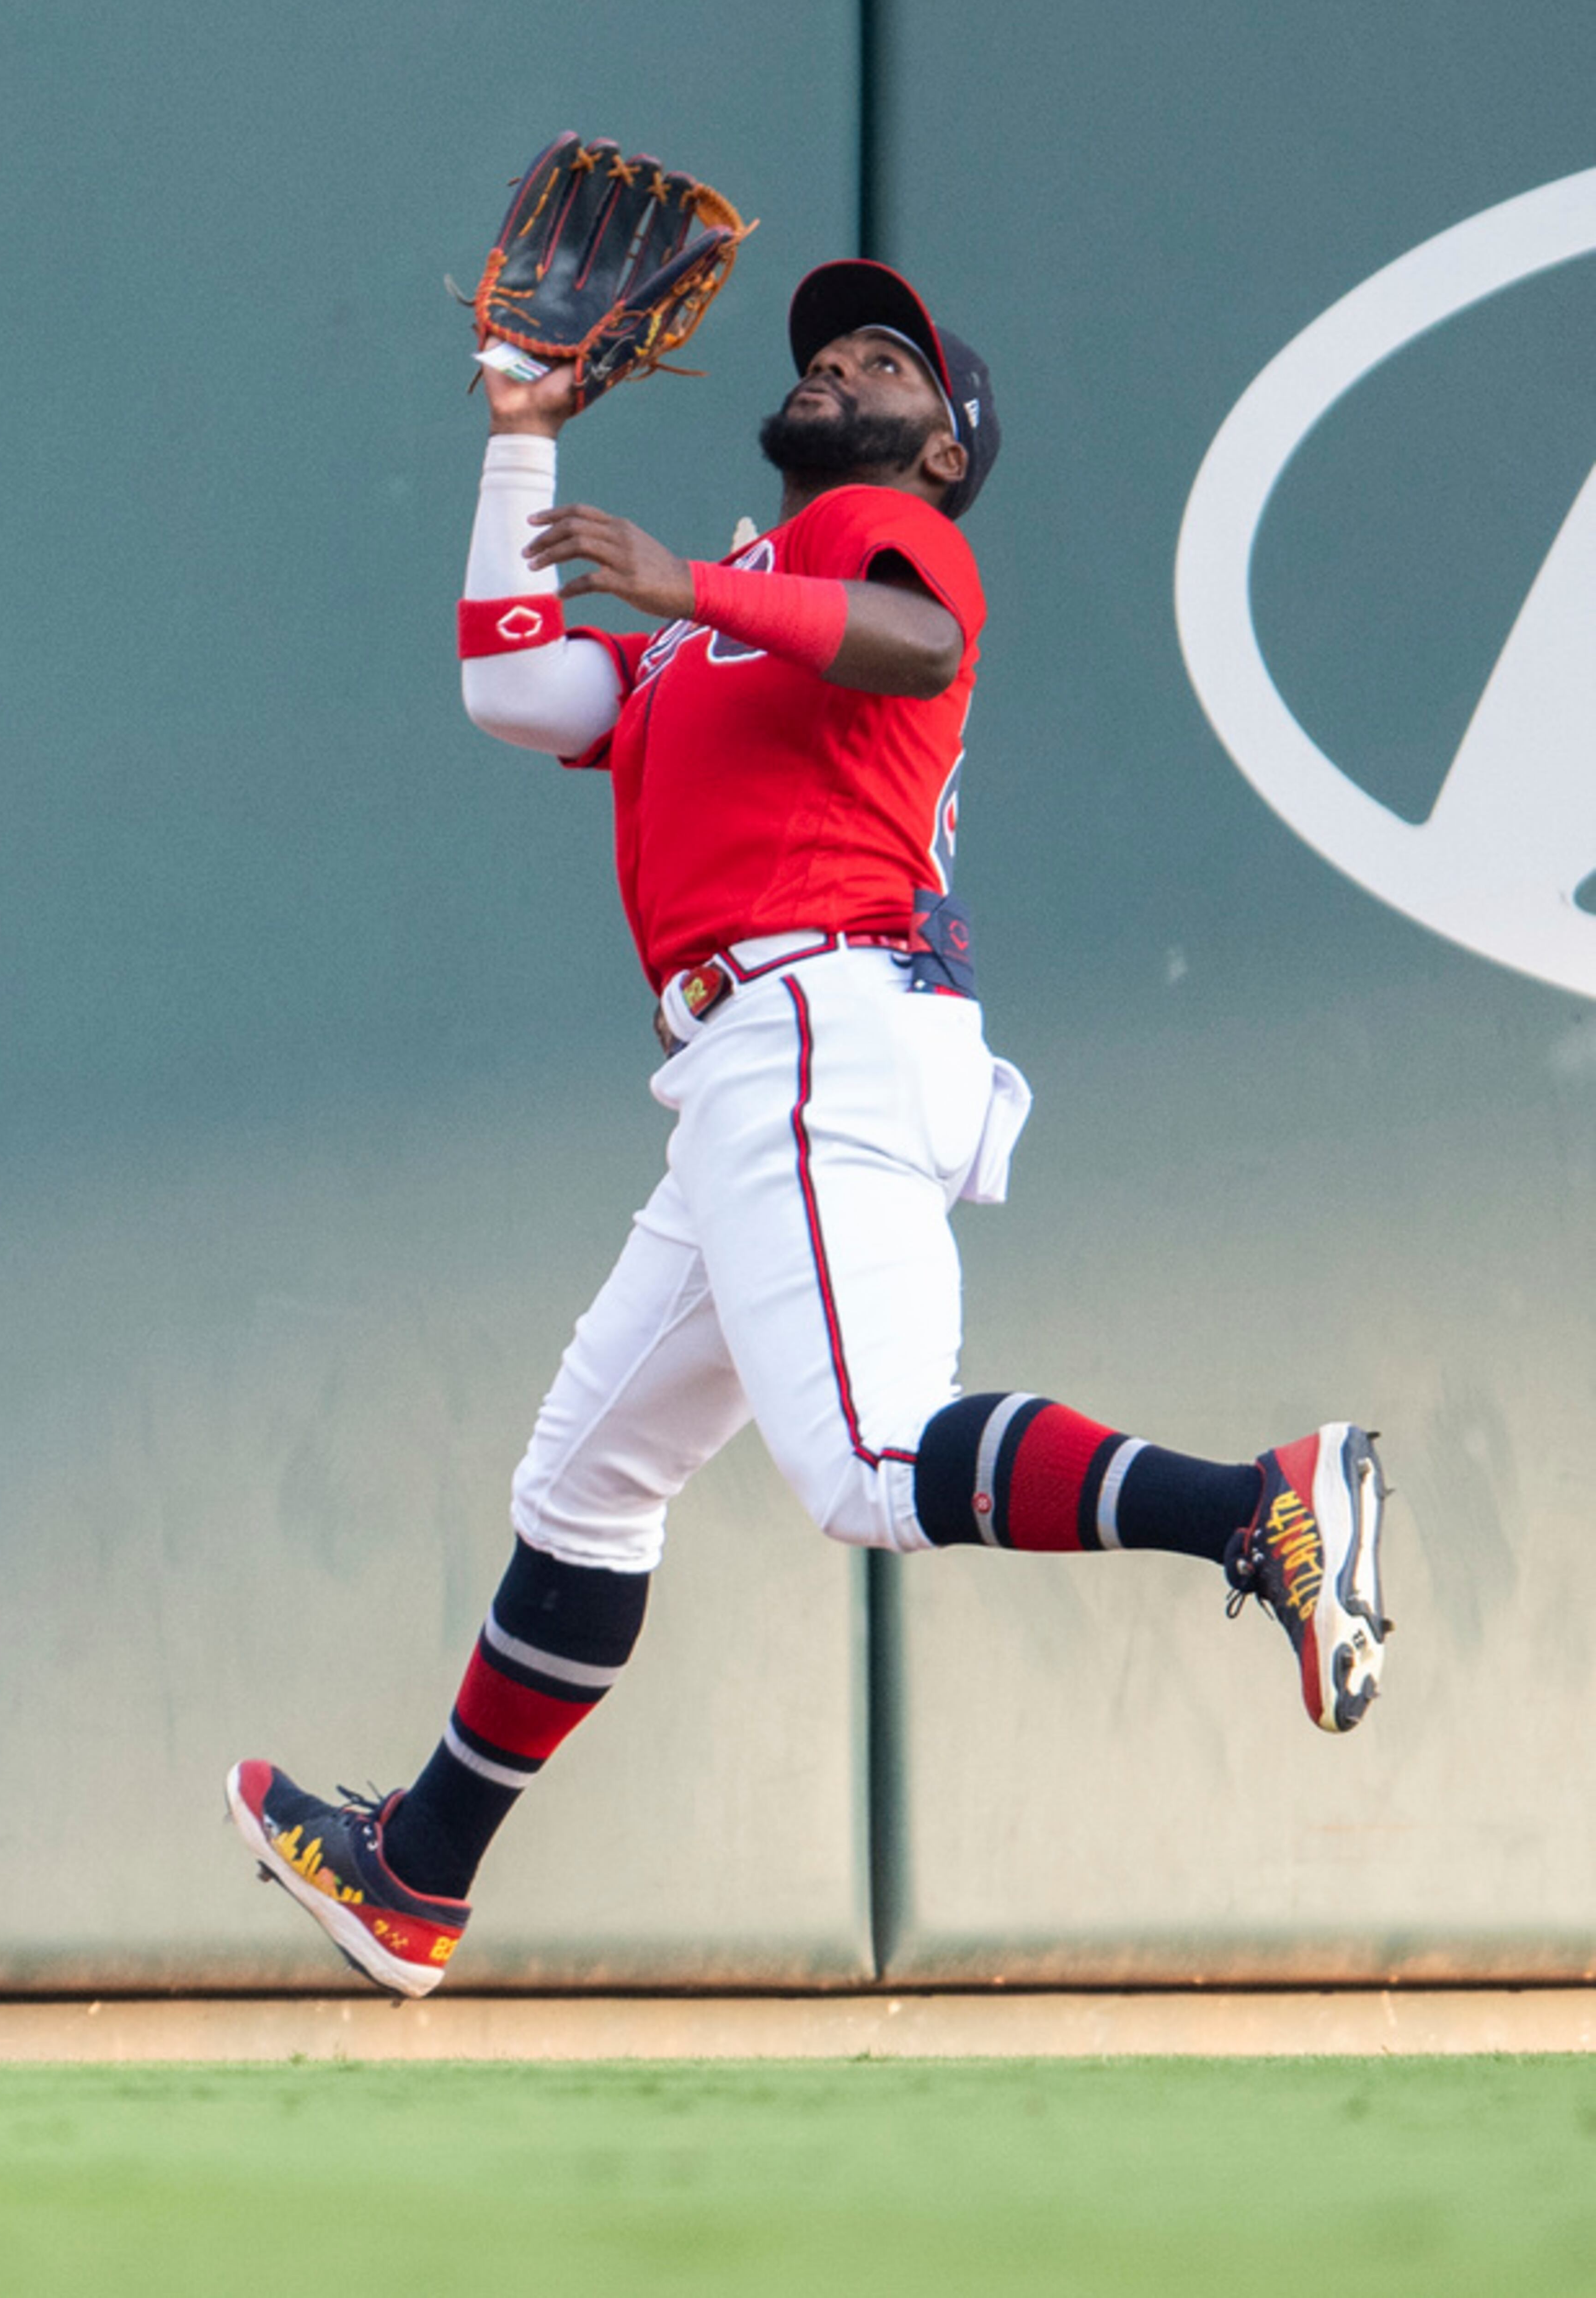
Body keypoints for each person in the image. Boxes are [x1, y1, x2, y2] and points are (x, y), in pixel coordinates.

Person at [227, 259, 1388, 1999]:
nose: (843, 361)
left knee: (866, 1466)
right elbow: (517, 688)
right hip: (746, 1071)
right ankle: (416, 1876)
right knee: (586, 1485)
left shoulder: (872, 548)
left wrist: (686, 576)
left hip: (821, 1024)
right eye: (834, 347)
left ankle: (1259, 1504)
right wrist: (522, 446)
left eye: (888, 364)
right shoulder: (716, 626)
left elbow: (917, 642)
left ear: (941, 456)